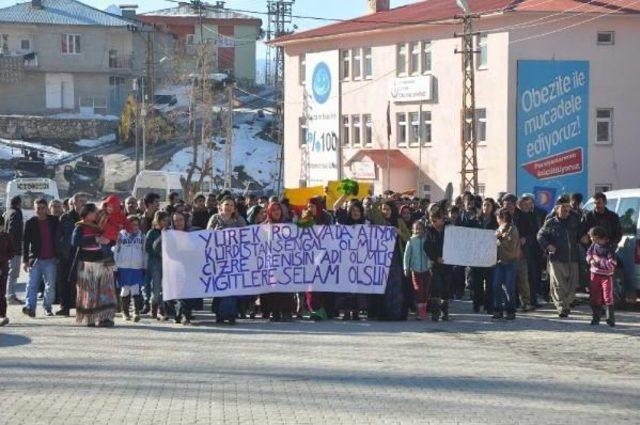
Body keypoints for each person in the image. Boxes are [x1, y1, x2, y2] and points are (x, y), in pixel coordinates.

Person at [72, 203, 116, 327]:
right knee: (89, 292)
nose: (97, 214)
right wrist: (95, 240)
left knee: (105, 291)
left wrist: (110, 239)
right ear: (88, 214)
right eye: (95, 212)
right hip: (86, 264)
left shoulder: (101, 225)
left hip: (103, 262)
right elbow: (75, 241)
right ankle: (89, 317)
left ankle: (106, 318)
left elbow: (112, 239)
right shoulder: (80, 227)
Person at [537, 199, 581, 318]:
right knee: (558, 284)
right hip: (556, 259)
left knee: (572, 286)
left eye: (567, 207)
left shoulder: (575, 221)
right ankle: (562, 307)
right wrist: (547, 245)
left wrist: (584, 238)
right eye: (563, 207)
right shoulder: (550, 222)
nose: (566, 209)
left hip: (573, 258)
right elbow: (540, 235)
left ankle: (566, 303)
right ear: (557, 209)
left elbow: (581, 234)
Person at [207, 197, 247, 324]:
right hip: (218, 257)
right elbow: (206, 235)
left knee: (232, 286)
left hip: (234, 258)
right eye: (226, 204)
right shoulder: (215, 218)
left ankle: (231, 314)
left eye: (231, 205)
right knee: (220, 285)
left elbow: (246, 235)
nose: (229, 207)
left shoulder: (239, 220)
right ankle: (219, 313)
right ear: (220, 206)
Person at [22, 198, 60, 318]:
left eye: (42, 208)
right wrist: (25, 260)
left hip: (51, 259)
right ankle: (30, 308)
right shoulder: (30, 223)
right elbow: (26, 242)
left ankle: (47, 307)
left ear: (47, 209)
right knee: (31, 285)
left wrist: (59, 255)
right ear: (34, 209)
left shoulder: (54, 221)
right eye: (38, 208)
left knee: (50, 286)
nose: (40, 210)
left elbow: (59, 238)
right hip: (36, 260)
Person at [333, 196, 368, 320]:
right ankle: (346, 311)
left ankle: (356, 312)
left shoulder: (366, 224)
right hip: (346, 260)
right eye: (353, 210)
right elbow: (336, 207)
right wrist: (345, 195)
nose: (355, 213)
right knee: (346, 286)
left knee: (358, 287)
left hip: (360, 260)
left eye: (358, 210)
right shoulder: (344, 221)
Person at [56, 192, 87, 316]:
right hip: (66, 255)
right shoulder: (65, 217)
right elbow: (58, 236)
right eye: (81, 202)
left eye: (85, 202)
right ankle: (65, 307)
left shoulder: (89, 218)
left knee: (83, 283)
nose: (83, 205)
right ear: (73, 203)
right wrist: (60, 252)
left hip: (84, 255)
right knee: (65, 281)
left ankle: (82, 307)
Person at [113, 215, 146, 323]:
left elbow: (144, 252)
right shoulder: (121, 235)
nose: (134, 227)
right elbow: (116, 250)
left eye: (136, 224)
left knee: (136, 289)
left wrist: (144, 265)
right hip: (123, 266)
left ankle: (136, 312)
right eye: (132, 224)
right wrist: (115, 267)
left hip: (137, 267)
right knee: (125, 290)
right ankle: (125, 312)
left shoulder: (141, 236)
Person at [172, 211, 200, 325]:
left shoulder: (192, 233)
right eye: (176, 220)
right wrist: (162, 234)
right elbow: (156, 247)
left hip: (190, 268)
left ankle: (185, 315)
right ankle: (181, 315)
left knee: (188, 293)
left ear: (185, 221)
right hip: (175, 268)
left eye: (180, 220)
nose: (178, 222)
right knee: (178, 294)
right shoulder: (169, 234)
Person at [586, 226, 617, 327]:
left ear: (599, 237)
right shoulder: (593, 245)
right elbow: (589, 254)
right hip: (594, 274)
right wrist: (591, 260)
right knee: (595, 296)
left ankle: (610, 318)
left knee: (608, 296)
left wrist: (599, 262)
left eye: (593, 237)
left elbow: (612, 264)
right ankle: (596, 317)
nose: (591, 239)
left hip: (606, 276)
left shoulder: (609, 248)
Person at [424, 210, 452, 321]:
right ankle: (435, 312)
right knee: (435, 288)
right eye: (432, 220)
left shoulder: (449, 230)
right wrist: (436, 258)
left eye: (436, 220)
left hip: (448, 264)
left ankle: (445, 312)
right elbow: (427, 247)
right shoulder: (429, 231)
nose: (434, 223)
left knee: (446, 288)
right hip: (435, 264)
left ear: (442, 219)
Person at [493, 208, 520, 320]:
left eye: (498, 217)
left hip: (510, 262)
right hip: (499, 262)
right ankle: (498, 309)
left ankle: (510, 311)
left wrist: (500, 238)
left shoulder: (513, 230)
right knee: (496, 285)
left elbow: (510, 247)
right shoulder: (498, 229)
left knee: (509, 287)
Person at [404, 220, 431, 321]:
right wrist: (406, 267)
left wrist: (430, 265)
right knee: (418, 290)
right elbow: (407, 256)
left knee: (425, 291)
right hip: (415, 270)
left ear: (424, 230)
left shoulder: (426, 240)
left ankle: (423, 310)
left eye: (421, 228)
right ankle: (420, 313)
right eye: (417, 229)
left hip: (426, 269)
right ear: (413, 230)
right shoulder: (411, 241)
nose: (419, 230)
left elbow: (430, 253)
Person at [146, 211, 170, 320]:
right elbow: (148, 248)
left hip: (167, 263)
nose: (167, 222)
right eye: (164, 220)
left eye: (167, 220)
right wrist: (159, 254)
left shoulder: (170, 232)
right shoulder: (151, 233)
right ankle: (153, 308)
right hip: (155, 263)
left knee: (165, 287)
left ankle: (163, 308)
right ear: (158, 221)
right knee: (156, 287)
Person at [477, 197, 499, 314]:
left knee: (490, 282)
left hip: (490, 255)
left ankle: (489, 305)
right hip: (477, 256)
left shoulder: (496, 222)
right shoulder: (475, 220)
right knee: (477, 282)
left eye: (488, 205)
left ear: (492, 207)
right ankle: (477, 304)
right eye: (484, 205)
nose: (486, 207)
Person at [3, 196, 23, 305]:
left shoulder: (7, 213)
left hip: (7, 248)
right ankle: (11, 296)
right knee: (13, 273)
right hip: (14, 249)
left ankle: (10, 295)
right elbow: (12, 230)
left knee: (10, 272)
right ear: (19, 203)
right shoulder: (16, 213)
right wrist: (13, 246)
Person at [0, 215, 15, 326]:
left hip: (3, 268)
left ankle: (2, 315)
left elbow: (11, 252)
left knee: (1, 293)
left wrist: (4, 258)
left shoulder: (6, 237)